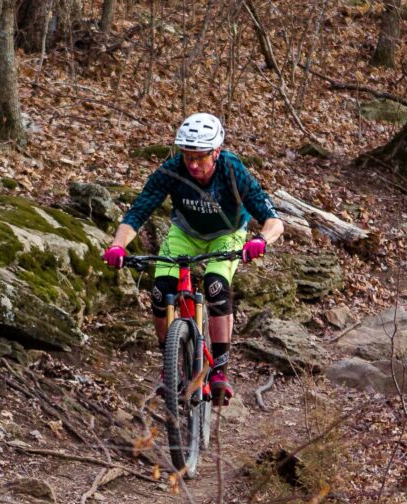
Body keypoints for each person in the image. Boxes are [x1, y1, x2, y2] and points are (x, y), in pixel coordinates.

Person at [101, 112, 283, 402]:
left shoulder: (232, 171)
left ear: (217, 152)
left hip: (227, 233)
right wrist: (117, 246)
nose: (194, 164)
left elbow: (273, 220)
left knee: (215, 284)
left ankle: (220, 370)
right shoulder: (172, 170)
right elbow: (138, 212)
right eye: (188, 157)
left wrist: (260, 240)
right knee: (161, 290)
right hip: (185, 233)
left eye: (200, 157)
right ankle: (169, 365)